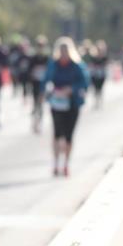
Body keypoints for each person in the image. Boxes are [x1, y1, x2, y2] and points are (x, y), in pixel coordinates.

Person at [42, 36, 91, 177]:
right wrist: (48, 91)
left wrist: (71, 89)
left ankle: (66, 164)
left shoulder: (77, 66)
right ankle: (56, 163)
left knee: (69, 135)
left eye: (66, 51)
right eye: (61, 51)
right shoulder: (53, 65)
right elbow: (46, 81)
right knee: (57, 133)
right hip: (56, 103)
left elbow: (85, 83)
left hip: (72, 104)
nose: (63, 54)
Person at [29, 36, 50, 134]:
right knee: (35, 103)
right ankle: (34, 121)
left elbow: (50, 72)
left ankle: (39, 122)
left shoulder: (47, 58)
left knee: (40, 103)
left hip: (43, 84)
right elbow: (29, 71)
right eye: (39, 45)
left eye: (42, 46)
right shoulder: (33, 58)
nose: (40, 47)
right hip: (35, 83)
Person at [88, 40, 108, 109]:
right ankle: (96, 101)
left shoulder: (104, 57)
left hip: (101, 75)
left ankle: (100, 101)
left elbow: (105, 65)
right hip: (94, 75)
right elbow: (91, 65)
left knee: (100, 89)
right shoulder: (93, 57)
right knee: (95, 89)